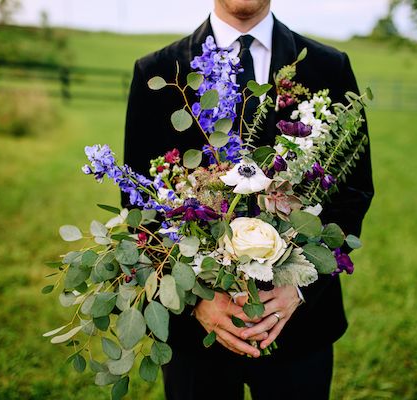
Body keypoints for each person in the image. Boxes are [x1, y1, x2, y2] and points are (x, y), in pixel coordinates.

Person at [123, 1, 374, 399]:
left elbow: (353, 190)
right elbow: (137, 202)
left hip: (299, 328)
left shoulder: (329, 67)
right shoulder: (156, 72)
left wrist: (300, 287)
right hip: (197, 336)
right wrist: (196, 301)